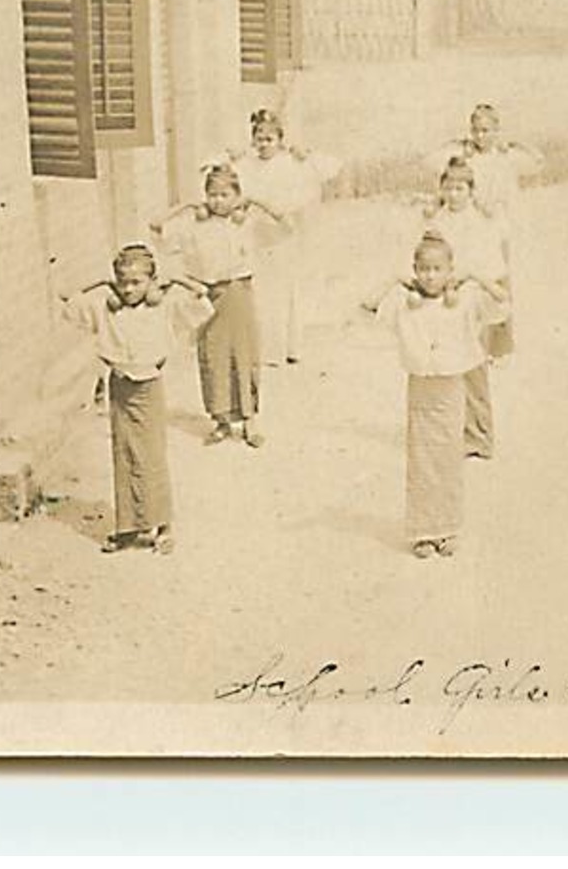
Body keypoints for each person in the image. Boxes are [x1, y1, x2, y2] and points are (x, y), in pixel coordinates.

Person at [361, 233, 510, 559]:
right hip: (421, 390)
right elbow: (367, 306)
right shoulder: (403, 303)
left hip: (451, 389)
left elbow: (501, 304)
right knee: (421, 460)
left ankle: (447, 528)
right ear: (415, 270)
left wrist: (475, 275)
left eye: (437, 269)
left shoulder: (466, 300)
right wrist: (394, 280)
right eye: (424, 269)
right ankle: (423, 531)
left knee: (447, 459)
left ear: (449, 270)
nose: (430, 276)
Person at [60, 244, 210, 555]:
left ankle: (163, 526)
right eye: (122, 282)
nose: (128, 289)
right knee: (124, 453)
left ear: (151, 283)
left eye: (136, 282)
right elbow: (66, 295)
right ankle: (128, 527)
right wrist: (101, 282)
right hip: (120, 386)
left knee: (151, 456)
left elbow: (203, 297)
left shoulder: (164, 308)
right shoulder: (105, 307)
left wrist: (175, 280)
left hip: (149, 388)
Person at [153, 165, 289, 448]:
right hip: (206, 294)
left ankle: (249, 420)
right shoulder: (193, 225)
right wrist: (187, 205)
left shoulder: (246, 224)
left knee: (243, 354)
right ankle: (221, 421)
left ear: (236, 195)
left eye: (225, 194)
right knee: (213, 356)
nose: (217, 201)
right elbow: (156, 226)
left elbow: (283, 219)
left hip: (238, 292)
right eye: (212, 194)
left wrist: (253, 200)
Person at [223, 109, 344, 367]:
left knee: (287, 289)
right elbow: (217, 168)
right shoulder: (248, 164)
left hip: (284, 233)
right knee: (262, 291)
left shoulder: (289, 162)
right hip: (257, 234)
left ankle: (291, 346)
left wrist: (305, 153)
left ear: (280, 139)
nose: (264, 144)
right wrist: (232, 155)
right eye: (259, 138)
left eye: (270, 138)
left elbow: (330, 167)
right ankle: (267, 350)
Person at [418, 160, 511, 455]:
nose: (454, 194)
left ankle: (480, 434)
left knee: (472, 366)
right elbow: (426, 256)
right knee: (441, 365)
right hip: (443, 297)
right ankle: (450, 430)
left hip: (472, 296)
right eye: (449, 188)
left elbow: (491, 266)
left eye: (460, 188)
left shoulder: (480, 222)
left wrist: (467, 277)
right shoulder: (437, 222)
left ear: (471, 191)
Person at [424, 103, 545, 225]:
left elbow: (538, 162)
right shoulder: (464, 154)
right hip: (473, 221)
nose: (479, 136)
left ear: (496, 130)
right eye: (475, 130)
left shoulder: (507, 155)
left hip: (503, 220)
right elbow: (428, 162)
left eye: (485, 131)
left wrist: (513, 143)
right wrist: (460, 143)